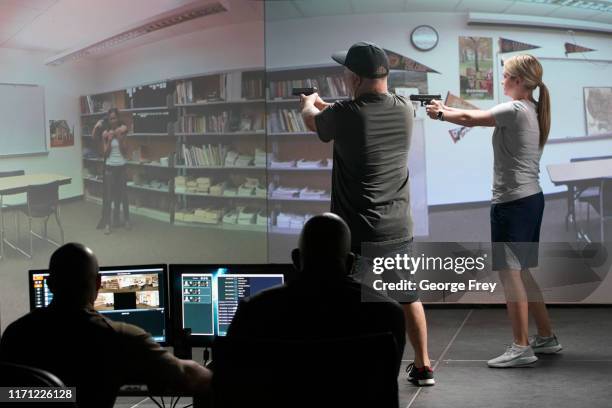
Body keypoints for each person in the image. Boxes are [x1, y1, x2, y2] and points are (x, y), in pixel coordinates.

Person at [299, 41, 434, 386]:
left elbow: (315, 122)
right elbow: (348, 113)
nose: (344, 77)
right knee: (408, 297)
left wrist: (308, 104)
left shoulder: (345, 114)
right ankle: (424, 366)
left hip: (355, 230)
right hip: (396, 226)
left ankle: (350, 369)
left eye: (346, 72)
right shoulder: (404, 108)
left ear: (355, 78)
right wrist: (327, 106)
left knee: (345, 302)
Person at [425, 54, 562, 368]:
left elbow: (472, 119)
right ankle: (546, 337)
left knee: (510, 274)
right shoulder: (532, 109)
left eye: (504, 77)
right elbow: (479, 115)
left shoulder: (515, 109)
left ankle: (521, 346)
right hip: (530, 200)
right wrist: (447, 110)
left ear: (517, 80)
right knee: (523, 272)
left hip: (512, 205)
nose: (501, 82)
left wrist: (440, 114)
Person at [0, 243, 211, 407]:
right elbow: (189, 377)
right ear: (99, 284)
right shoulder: (121, 338)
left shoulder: (15, 333)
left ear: (50, 284)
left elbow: (8, 394)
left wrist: (64, 395)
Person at [227, 213, 406, 372]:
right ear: (351, 264)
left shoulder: (254, 310)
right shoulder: (388, 313)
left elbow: (231, 377)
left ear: (296, 259)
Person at [101, 108, 131, 234]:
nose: (113, 120)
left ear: (118, 118)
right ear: (108, 120)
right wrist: (108, 140)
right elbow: (105, 154)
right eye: (111, 118)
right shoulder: (105, 134)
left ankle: (127, 220)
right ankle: (108, 224)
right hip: (110, 168)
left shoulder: (122, 132)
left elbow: (125, 152)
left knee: (124, 195)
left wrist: (119, 138)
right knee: (109, 197)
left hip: (122, 167)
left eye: (115, 118)